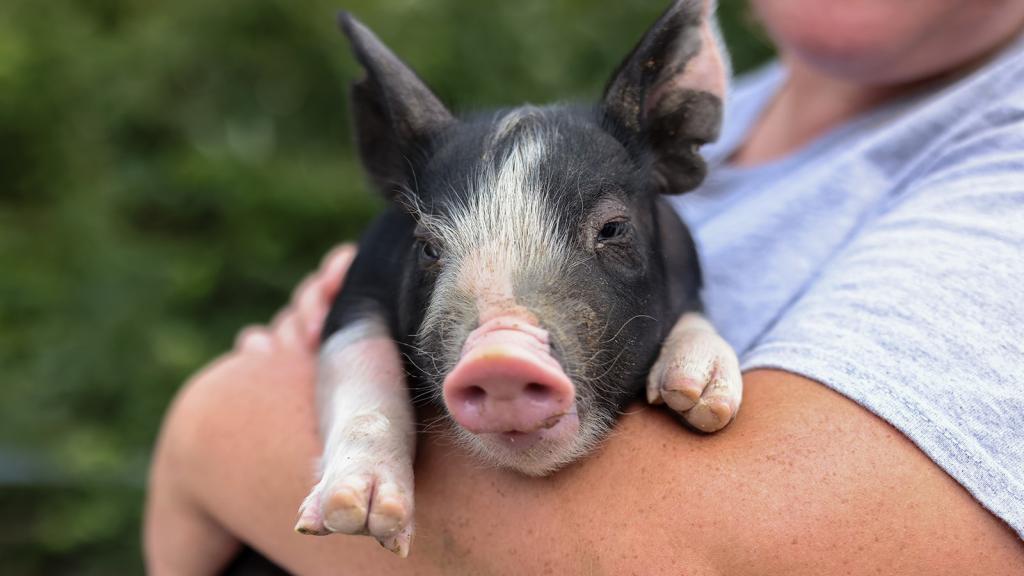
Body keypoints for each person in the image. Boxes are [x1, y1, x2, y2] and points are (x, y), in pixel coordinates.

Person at [144, 0, 1024, 573]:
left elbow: (746, 556)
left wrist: (215, 429)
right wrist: (373, 317)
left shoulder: (1000, 154)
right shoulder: (621, 137)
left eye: (608, 233)